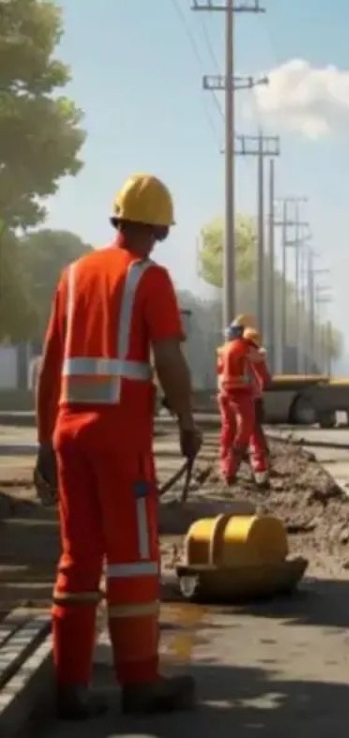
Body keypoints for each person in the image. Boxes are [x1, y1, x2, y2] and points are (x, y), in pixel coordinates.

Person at [34, 173, 201, 719]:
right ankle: (140, 681)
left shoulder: (73, 274)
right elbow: (169, 359)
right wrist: (187, 420)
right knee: (132, 559)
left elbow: (48, 366)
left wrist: (43, 444)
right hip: (119, 440)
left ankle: (71, 686)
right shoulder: (149, 278)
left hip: (68, 435)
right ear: (160, 228)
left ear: (117, 218)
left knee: (77, 558)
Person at [216, 325, 270, 485]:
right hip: (244, 396)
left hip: (225, 395)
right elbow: (263, 375)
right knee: (251, 433)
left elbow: (221, 374)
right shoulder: (245, 349)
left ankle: (226, 468)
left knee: (228, 431)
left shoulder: (223, 351)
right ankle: (256, 469)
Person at [244, 328, 272, 463]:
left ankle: (246, 452)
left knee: (245, 425)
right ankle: (261, 452)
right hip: (255, 395)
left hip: (242, 395)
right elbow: (265, 377)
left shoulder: (239, 352)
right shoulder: (258, 355)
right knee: (255, 425)